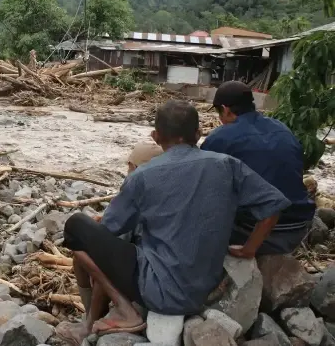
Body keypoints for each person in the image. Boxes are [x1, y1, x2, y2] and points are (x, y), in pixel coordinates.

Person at [58, 100, 291, 344]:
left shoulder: (143, 176)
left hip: (159, 292)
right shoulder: (227, 165)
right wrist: (249, 248)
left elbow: (110, 230)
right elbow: (273, 207)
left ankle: (122, 310)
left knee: (76, 227)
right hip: (206, 287)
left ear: (156, 136)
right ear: (199, 134)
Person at [201, 80, 316, 256]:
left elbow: (199, 184)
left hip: (253, 233)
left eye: (219, 112)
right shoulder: (283, 129)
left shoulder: (221, 137)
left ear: (225, 110)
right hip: (297, 228)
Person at [77, 142, 165, 313]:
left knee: (82, 250)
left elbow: (112, 234)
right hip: (165, 266)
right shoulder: (167, 190)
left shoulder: (135, 190)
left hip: (145, 272)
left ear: (133, 166)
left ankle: (91, 317)